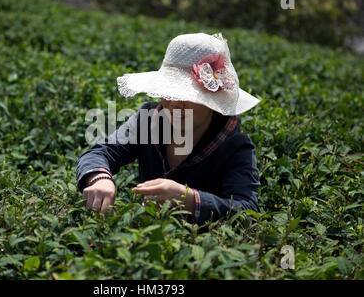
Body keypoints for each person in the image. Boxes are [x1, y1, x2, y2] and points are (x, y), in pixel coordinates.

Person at [76, 33, 261, 225]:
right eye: (169, 92)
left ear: (212, 100)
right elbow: (101, 153)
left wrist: (189, 199)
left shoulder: (234, 147)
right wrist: (100, 179)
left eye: (187, 96)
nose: (173, 103)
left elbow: (247, 211)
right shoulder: (149, 120)